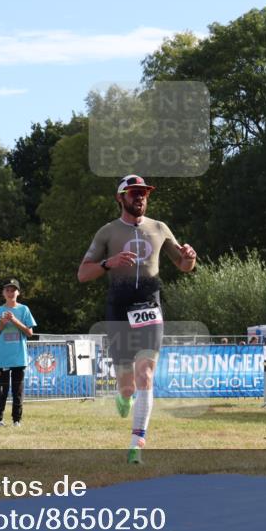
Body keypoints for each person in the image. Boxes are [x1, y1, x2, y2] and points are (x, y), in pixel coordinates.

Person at [78, 175, 197, 464]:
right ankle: (124, 397)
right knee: (127, 384)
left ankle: (136, 444)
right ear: (120, 198)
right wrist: (108, 263)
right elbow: (83, 274)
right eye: (133, 193)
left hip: (149, 304)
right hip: (119, 307)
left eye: (143, 193)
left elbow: (183, 265)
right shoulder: (107, 232)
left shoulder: (159, 228)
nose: (140, 197)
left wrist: (190, 257)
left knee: (145, 374)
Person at [0, 279, 36, 427]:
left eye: (13, 290)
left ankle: (17, 420)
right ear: (3, 293)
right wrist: (2, 324)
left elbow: (29, 333)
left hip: (19, 357)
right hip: (3, 358)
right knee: (2, 390)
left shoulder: (24, 310)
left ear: (18, 292)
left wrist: (15, 321)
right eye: (7, 290)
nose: (10, 293)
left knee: (18, 391)